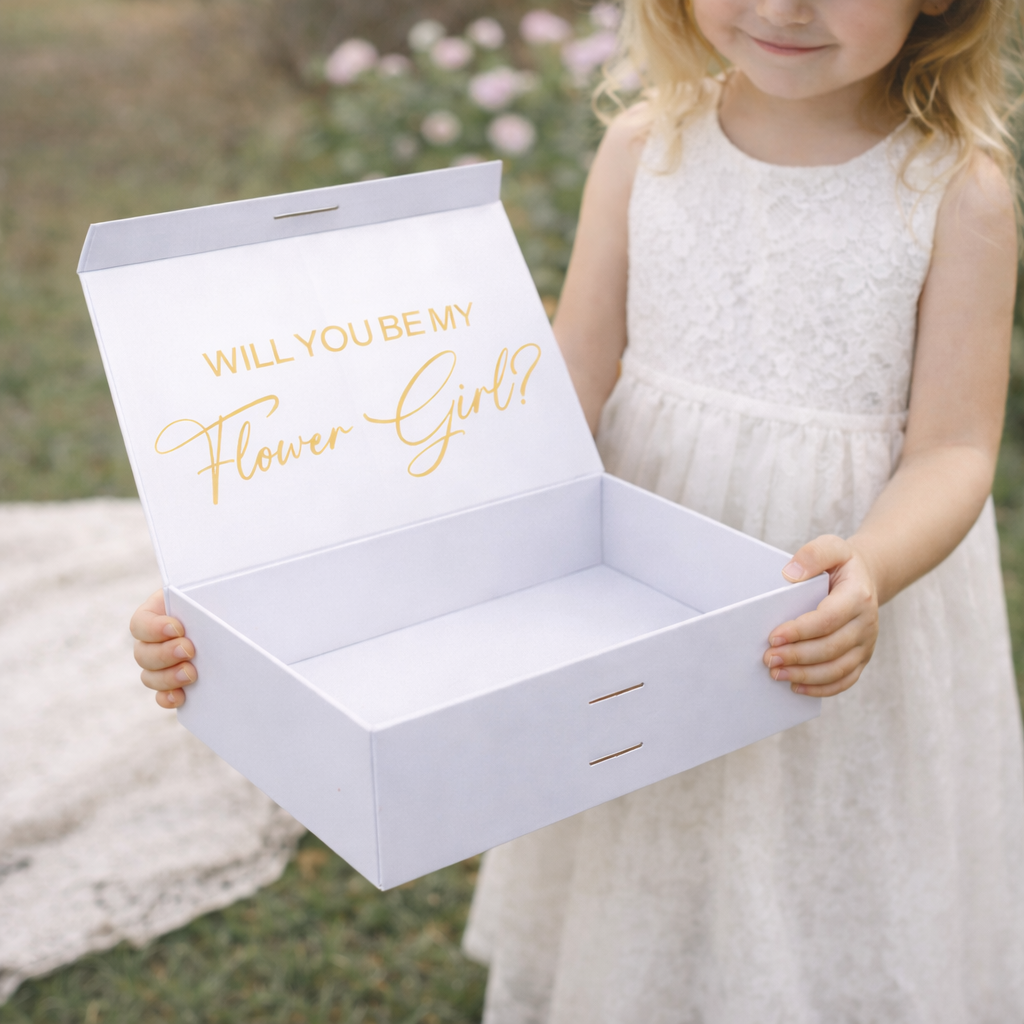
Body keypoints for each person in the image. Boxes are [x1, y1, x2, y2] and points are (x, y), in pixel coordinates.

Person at [130, 0, 1024, 1017]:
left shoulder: (955, 189)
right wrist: (282, 573)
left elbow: (954, 448)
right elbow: (562, 393)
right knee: (649, 803)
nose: (781, 6)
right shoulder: (646, 147)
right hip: (635, 584)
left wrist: (873, 565)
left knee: (814, 828)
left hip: (825, 593)